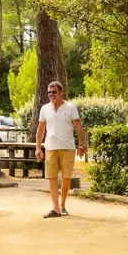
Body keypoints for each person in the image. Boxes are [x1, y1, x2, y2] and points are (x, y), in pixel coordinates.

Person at [35, 81, 87, 218]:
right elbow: (40, 129)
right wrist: (38, 147)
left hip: (67, 147)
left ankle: (62, 204)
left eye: (54, 92)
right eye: (49, 92)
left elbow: (78, 127)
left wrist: (81, 145)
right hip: (50, 147)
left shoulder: (70, 107)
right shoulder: (45, 108)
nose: (51, 95)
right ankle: (55, 208)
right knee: (51, 177)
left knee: (66, 178)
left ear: (61, 92)